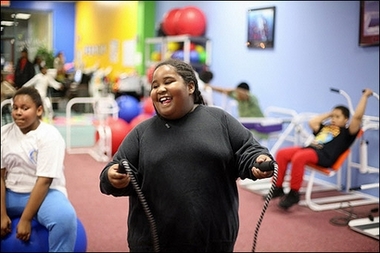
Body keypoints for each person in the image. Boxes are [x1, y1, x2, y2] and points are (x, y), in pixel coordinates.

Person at [99, 59, 275, 252]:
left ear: (190, 86)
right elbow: (112, 172)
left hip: (213, 241)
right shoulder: (142, 132)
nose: (160, 89)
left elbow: (248, 151)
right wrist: (112, 176)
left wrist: (258, 161)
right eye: (155, 86)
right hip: (153, 242)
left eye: (168, 82)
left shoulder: (220, 120)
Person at [269, 88, 374, 210]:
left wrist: (365, 97)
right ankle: (277, 187)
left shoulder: (347, 133)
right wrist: (331, 113)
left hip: (324, 156)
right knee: (282, 153)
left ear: (346, 119)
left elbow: (357, 117)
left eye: (337, 116)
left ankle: (294, 194)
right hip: (310, 150)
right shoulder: (326, 127)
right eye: (333, 116)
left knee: (299, 157)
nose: (333, 119)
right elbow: (313, 122)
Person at [0, 86, 77, 251]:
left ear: (39, 110)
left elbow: (44, 180)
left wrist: (25, 219)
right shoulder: (3, 134)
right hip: (11, 193)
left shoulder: (50, 135)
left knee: (65, 217)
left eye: (25, 108)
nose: (18, 112)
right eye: (15, 108)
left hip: (45, 193)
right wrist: (1, 214)